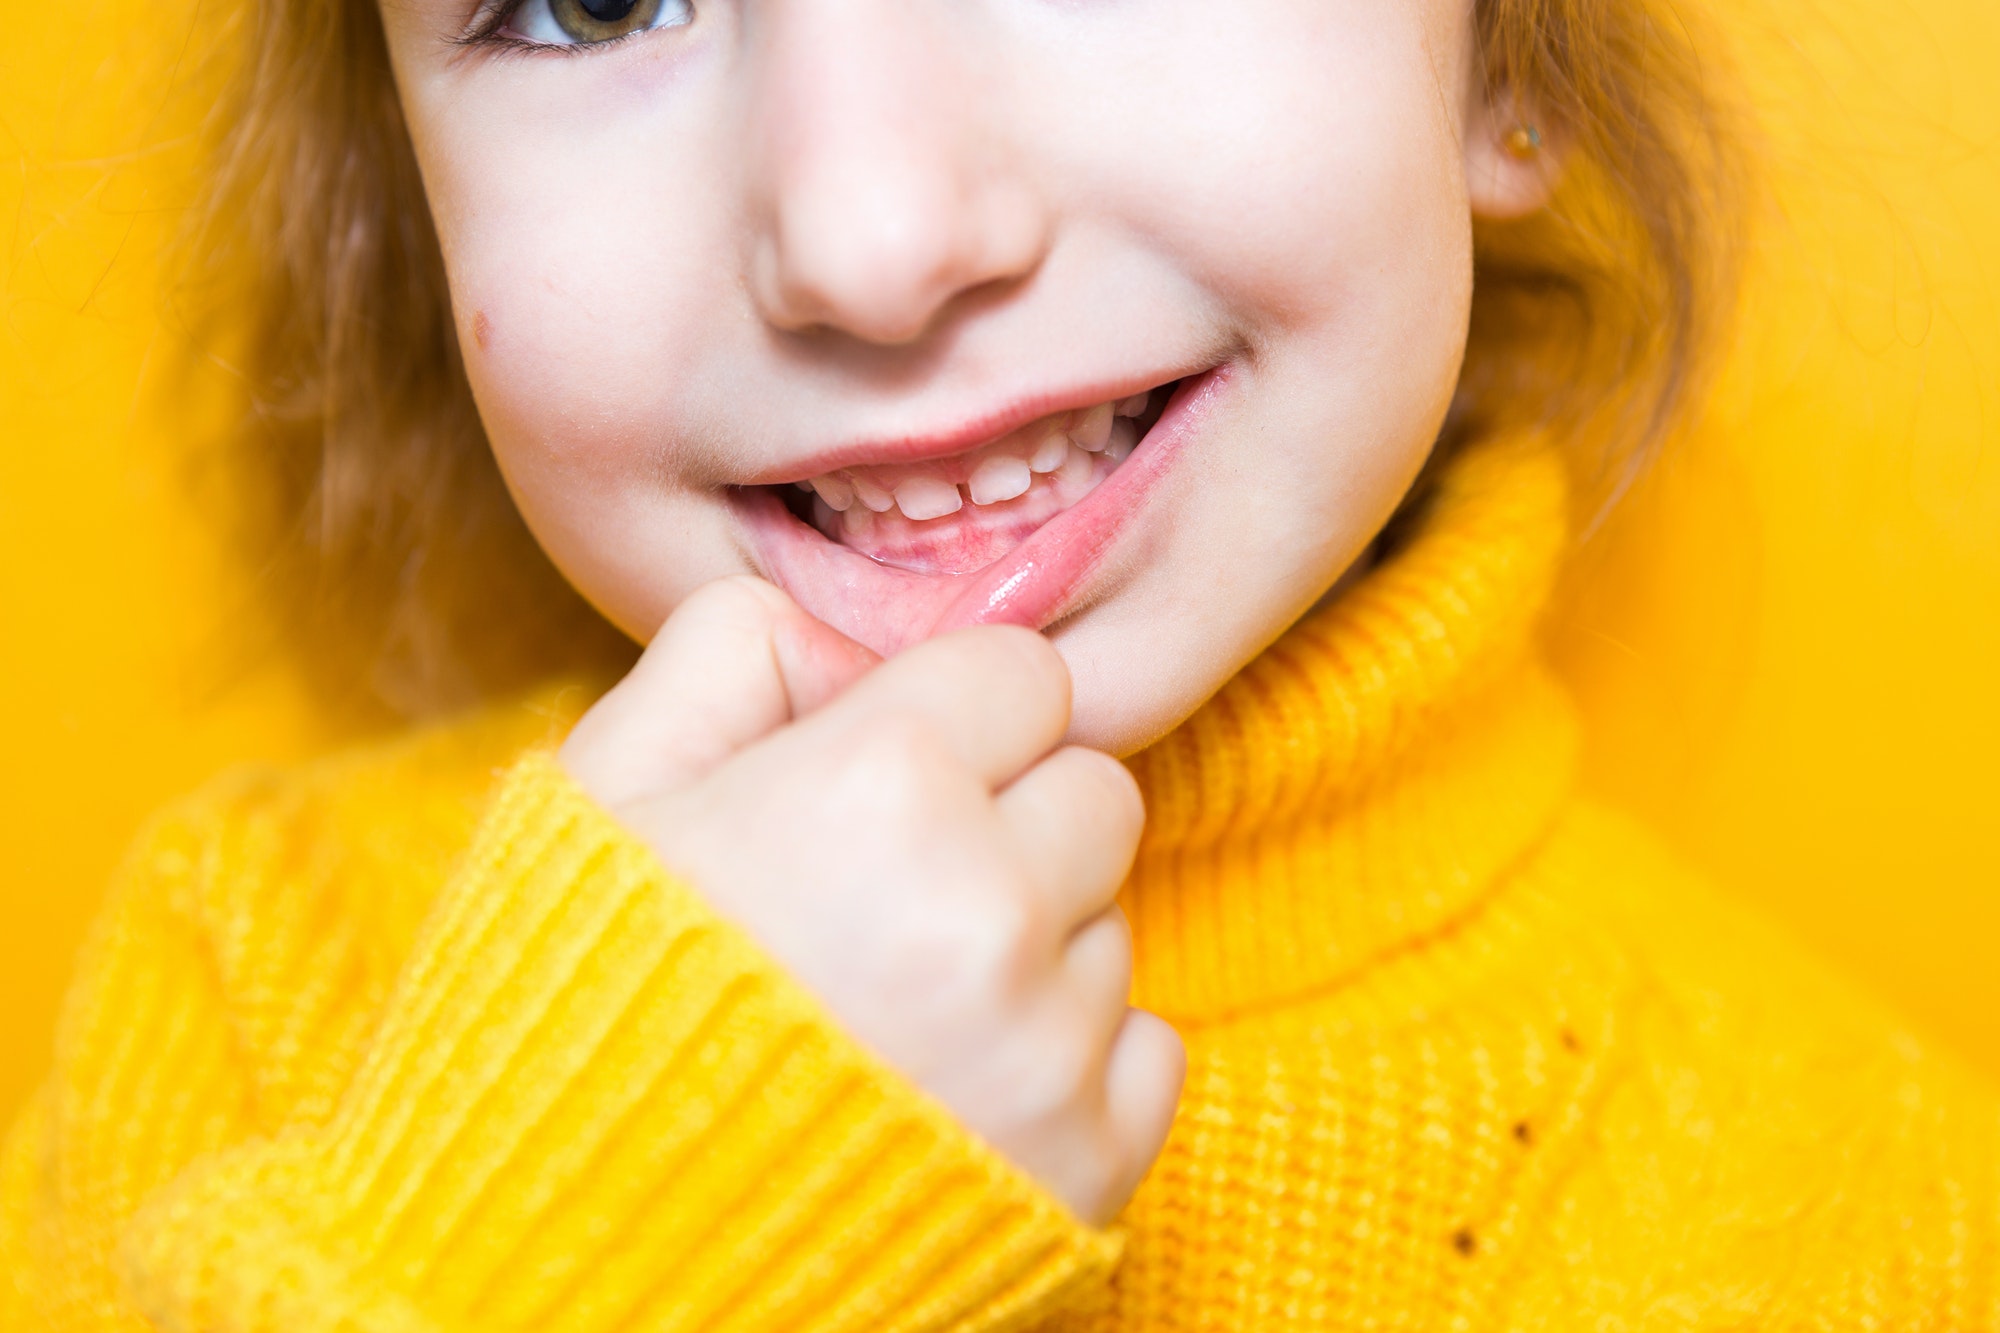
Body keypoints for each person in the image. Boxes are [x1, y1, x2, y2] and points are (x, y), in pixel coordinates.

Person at [5, 0, 1996, 1327]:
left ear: (1502, 62)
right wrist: (535, 1259)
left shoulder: (1867, 1213)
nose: (868, 236)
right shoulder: (257, 986)